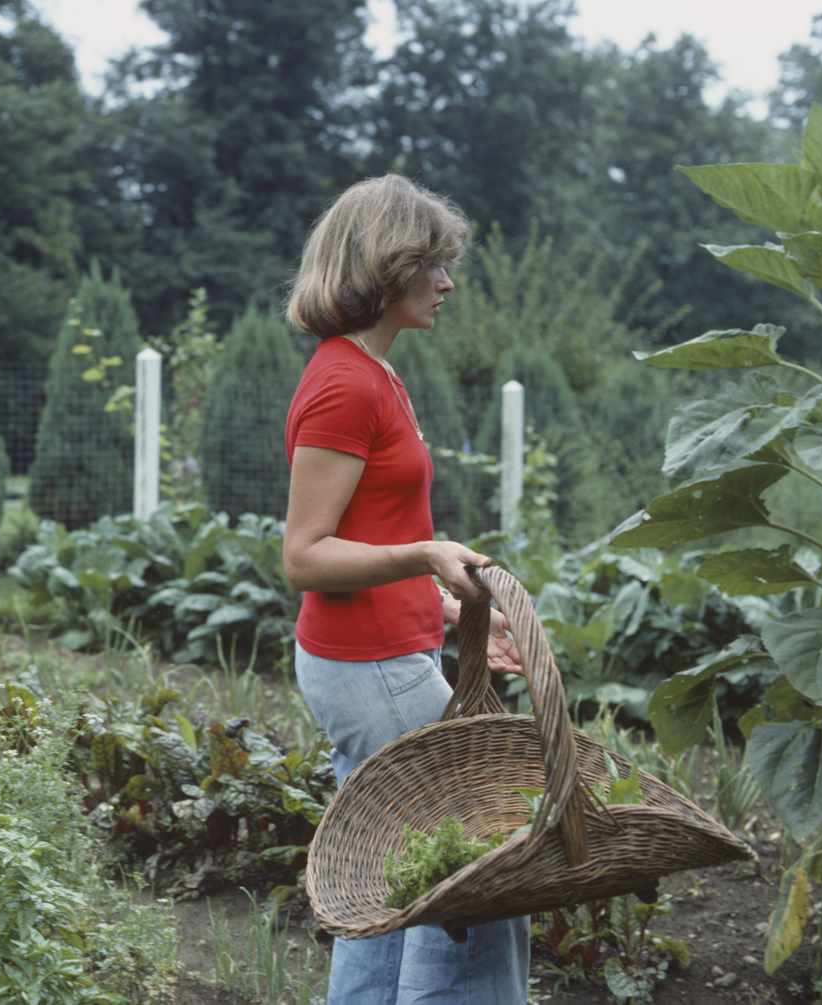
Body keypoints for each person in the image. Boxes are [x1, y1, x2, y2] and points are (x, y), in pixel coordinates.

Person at [281, 174, 528, 1003]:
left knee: (395, 879)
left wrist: (447, 608)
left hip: (389, 652)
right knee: (476, 876)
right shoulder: (345, 385)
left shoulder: (375, 375)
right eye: (433, 265)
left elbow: (372, 532)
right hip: (370, 669)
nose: (448, 283)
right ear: (387, 267)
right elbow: (305, 555)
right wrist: (426, 553)